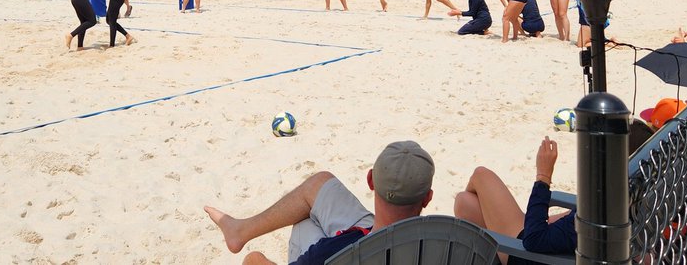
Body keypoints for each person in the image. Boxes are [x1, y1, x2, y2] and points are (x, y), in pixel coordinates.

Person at [204, 141, 435, 265]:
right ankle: (240, 230)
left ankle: (240, 235)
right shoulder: (448, 242)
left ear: (370, 181)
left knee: (255, 259)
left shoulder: (337, 251)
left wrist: (255, 259)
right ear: (428, 197)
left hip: (365, 246)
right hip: (407, 245)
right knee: (315, 199)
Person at [454, 137, 575, 265]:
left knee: (481, 175)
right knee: (465, 203)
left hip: (525, 253)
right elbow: (574, 224)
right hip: (552, 244)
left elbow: (534, 240)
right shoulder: (595, 218)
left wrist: (543, 176)